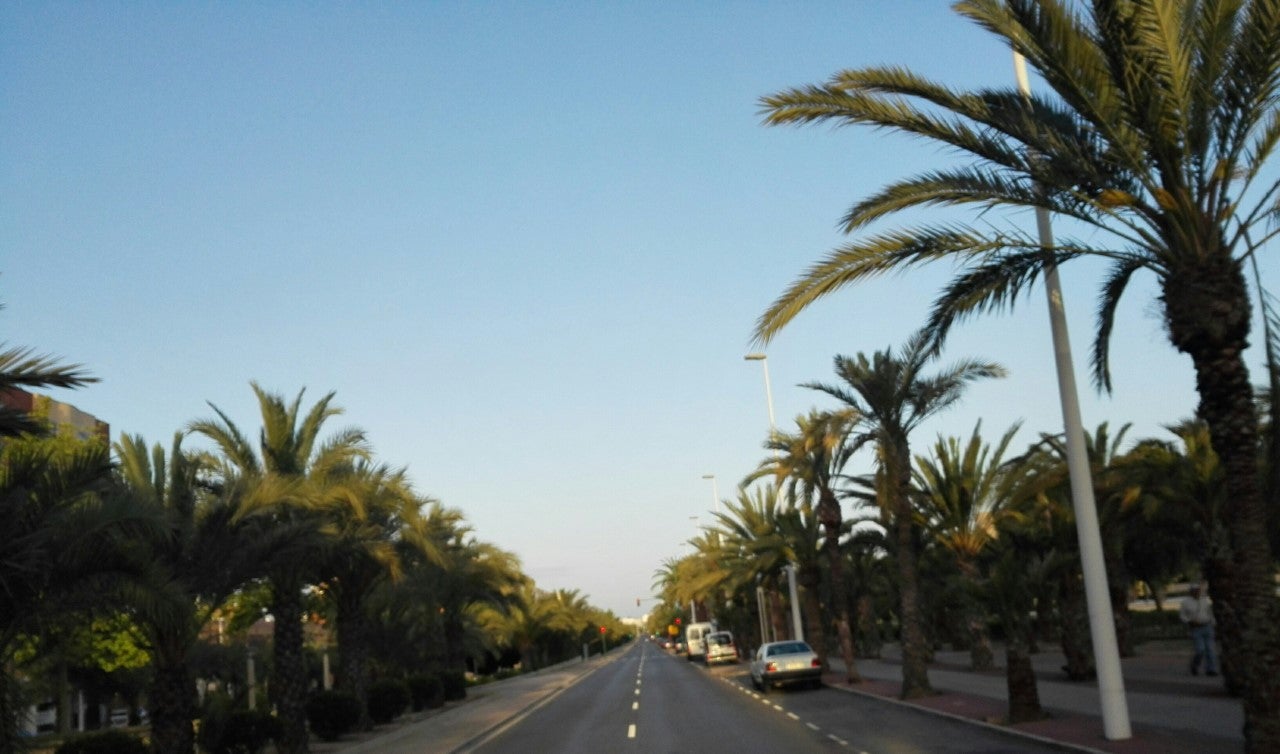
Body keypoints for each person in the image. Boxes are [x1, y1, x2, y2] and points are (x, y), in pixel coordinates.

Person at [1179, 582, 1218, 676]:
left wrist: (1213, 623)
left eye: (1198, 590)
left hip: (1207, 626)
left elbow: (1210, 613)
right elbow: (1182, 616)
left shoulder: (1204, 600)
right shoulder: (1185, 602)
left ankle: (1211, 669)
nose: (1197, 592)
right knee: (1200, 650)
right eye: (1195, 591)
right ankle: (1194, 666)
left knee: (1210, 649)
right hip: (1196, 628)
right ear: (1191, 592)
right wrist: (1189, 621)